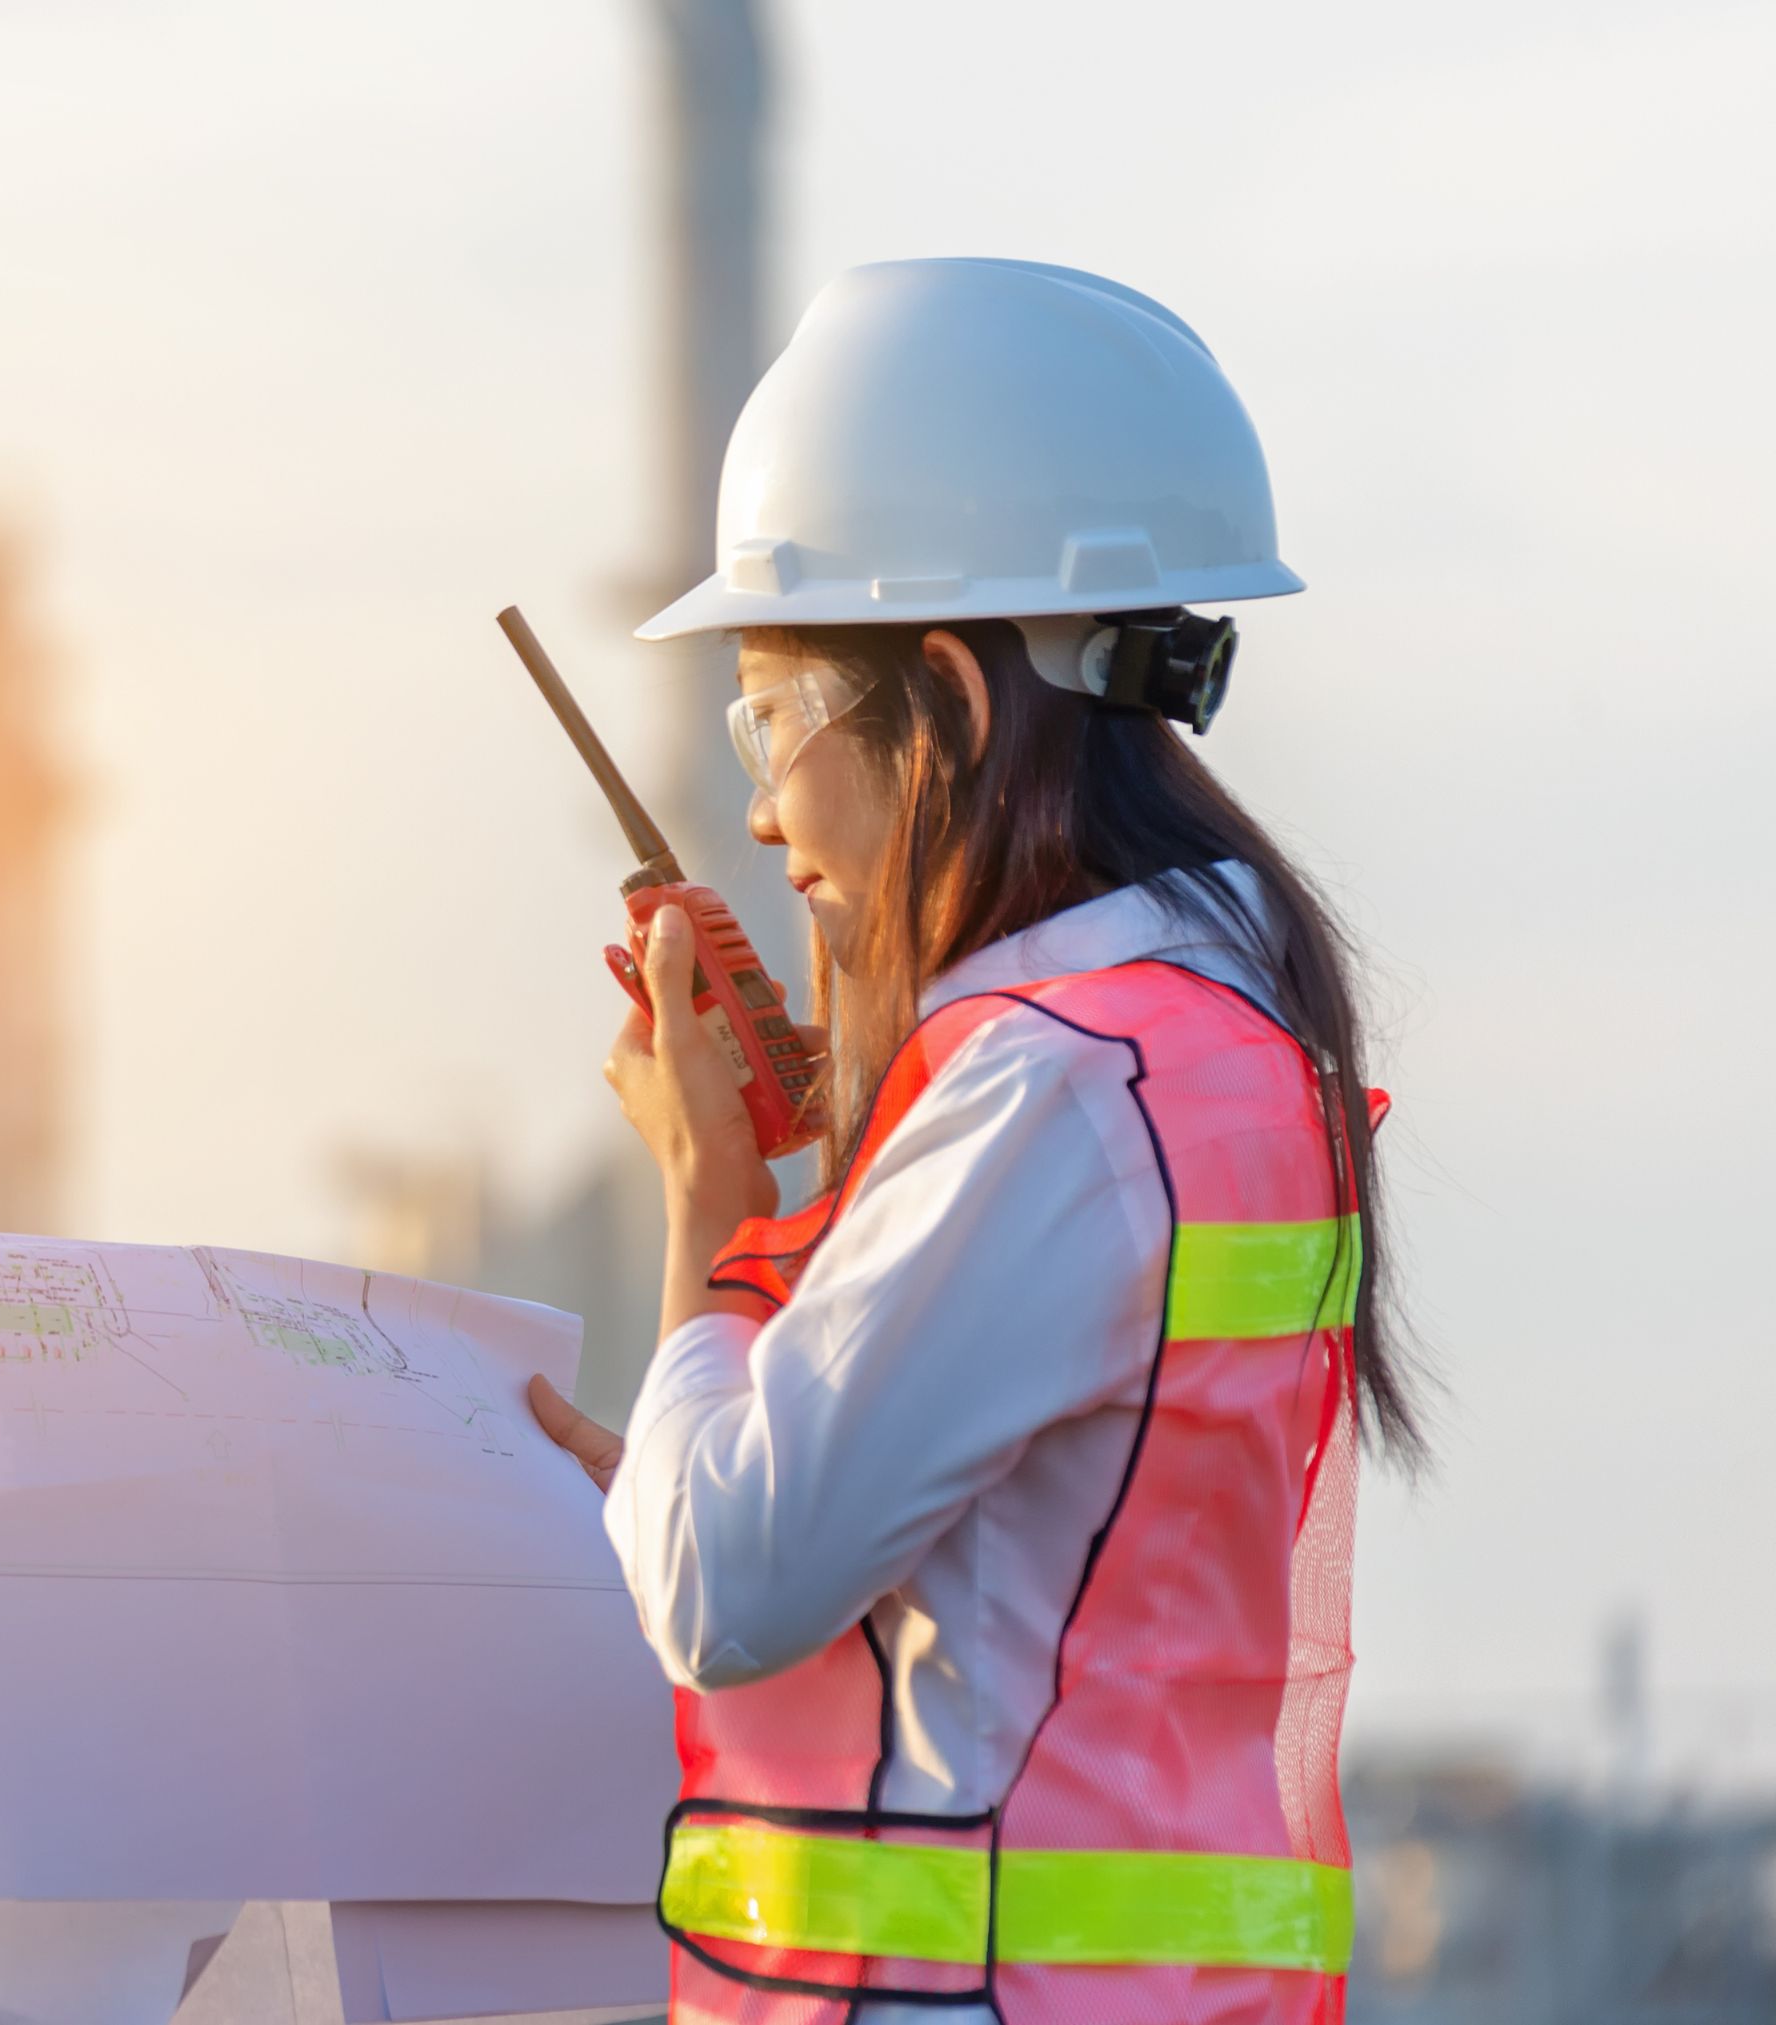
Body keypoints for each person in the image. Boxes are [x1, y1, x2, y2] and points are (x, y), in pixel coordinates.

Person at [519, 259, 1423, 2021]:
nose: (766, 807)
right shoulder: (1229, 1048)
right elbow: (1070, 1582)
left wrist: (710, 1209)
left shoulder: (1051, 1090)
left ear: (942, 686)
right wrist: (729, 1441)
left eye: (774, 718)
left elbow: (728, 1584)